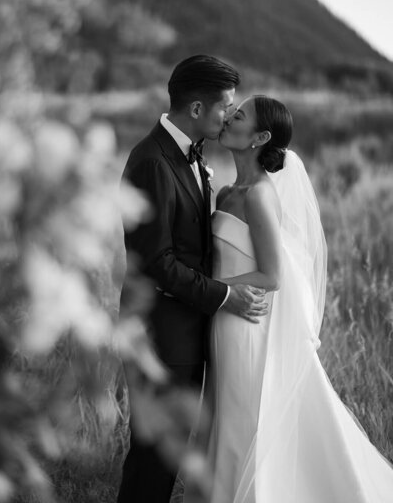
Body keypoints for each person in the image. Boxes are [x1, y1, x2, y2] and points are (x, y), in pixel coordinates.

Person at [194, 94, 393, 503]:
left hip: (244, 321)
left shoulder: (258, 196)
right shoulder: (228, 191)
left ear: (260, 137)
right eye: (233, 111)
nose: (230, 116)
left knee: (244, 417)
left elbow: (272, 274)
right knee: (225, 415)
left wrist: (208, 288)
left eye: (240, 115)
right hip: (223, 316)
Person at [117, 56, 268, 503]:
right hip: (160, 334)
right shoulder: (152, 161)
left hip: (184, 329)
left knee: (169, 453)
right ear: (198, 109)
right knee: (153, 458)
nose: (230, 114)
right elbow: (157, 262)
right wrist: (226, 297)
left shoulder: (191, 157)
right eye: (226, 106)